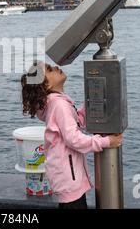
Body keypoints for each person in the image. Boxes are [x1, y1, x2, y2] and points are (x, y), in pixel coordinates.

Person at [21, 61, 122, 209]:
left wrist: (91, 103)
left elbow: (76, 123)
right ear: (46, 85)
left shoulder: (56, 103)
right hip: (68, 177)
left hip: (66, 176)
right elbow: (73, 139)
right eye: (50, 69)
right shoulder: (59, 105)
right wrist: (106, 142)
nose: (56, 67)